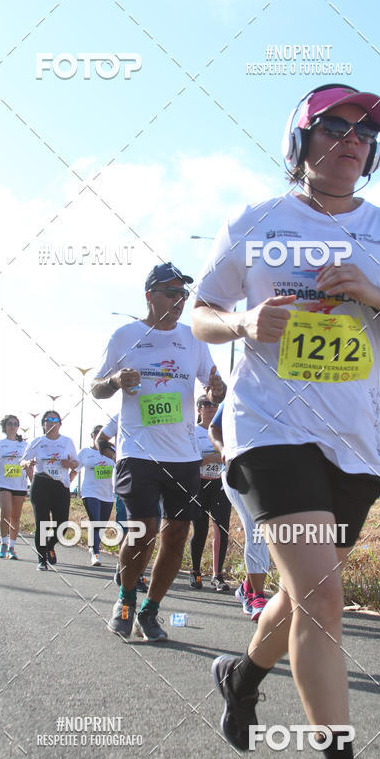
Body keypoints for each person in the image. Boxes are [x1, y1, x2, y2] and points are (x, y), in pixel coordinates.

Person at [193, 84, 380, 759]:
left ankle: (242, 677)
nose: (350, 139)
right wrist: (245, 319)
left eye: (364, 133)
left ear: (374, 154)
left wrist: (374, 294)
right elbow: (206, 311)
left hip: (354, 447)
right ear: (298, 142)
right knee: (325, 600)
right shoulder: (256, 222)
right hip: (268, 431)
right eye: (332, 127)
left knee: (309, 596)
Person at [91, 261, 225, 642]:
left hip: (183, 457)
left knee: (177, 533)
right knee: (144, 530)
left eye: (184, 293)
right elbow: (96, 387)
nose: (180, 300)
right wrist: (115, 380)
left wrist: (216, 390)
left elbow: (216, 388)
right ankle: (125, 600)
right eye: (171, 293)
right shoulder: (125, 335)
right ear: (150, 295)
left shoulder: (193, 338)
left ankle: (150, 610)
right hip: (138, 451)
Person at [208, 402, 269, 622]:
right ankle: (256, 596)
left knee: (270, 533)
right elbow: (214, 429)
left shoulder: (284, 390)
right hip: (238, 471)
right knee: (257, 529)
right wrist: (223, 449)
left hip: (271, 473)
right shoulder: (239, 389)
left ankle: (245, 587)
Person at [96, 416, 149, 592]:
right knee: (127, 529)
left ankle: (139, 573)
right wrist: (116, 456)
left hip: (154, 480)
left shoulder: (158, 409)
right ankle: (125, 567)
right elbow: (101, 440)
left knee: (149, 532)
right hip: (125, 479)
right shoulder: (120, 415)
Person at [21, 411, 78, 571]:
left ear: (60, 423)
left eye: (55, 419)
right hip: (41, 484)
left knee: (62, 525)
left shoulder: (67, 441)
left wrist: (69, 463)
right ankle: (41, 559)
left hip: (61, 485)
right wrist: (27, 463)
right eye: (48, 420)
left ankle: (49, 546)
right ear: (43, 424)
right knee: (42, 524)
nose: (52, 422)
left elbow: (76, 463)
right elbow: (22, 461)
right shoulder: (37, 441)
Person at [189, 395, 232, 592]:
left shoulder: (224, 432)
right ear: (199, 409)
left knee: (221, 530)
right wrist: (210, 458)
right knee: (200, 530)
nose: (211, 407)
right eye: (206, 404)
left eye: (215, 405)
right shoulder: (192, 431)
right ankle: (196, 572)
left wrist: (219, 458)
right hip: (199, 485)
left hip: (220, 486)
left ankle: (217, 576)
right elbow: (188, 461)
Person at [72, 425, 114, 567]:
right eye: (96, 432)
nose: (99, 435)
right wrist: (65, 485)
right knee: (95, 521)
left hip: (107, 494)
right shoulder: (85, 452)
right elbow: (75, 470)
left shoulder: (112, 452)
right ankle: (95, 553)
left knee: (101, 525)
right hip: (90, 492)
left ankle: (93, 545)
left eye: (101, 433)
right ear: (92, 435)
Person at [0, 415, 28, 559]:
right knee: (6, 512)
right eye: (10, 423)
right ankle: (3, 543)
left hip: (19, 483)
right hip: (4, 483)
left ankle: (12, 547)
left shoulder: (24, 445)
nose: (13, 426)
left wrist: (33, 480)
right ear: (5, 427)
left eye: (15, 424)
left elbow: (28, 463)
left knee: (15, 516)